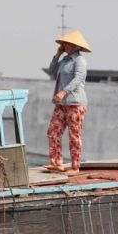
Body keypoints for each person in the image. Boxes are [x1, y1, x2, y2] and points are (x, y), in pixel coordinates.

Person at [44, 30, 91, 175]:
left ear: (75, 45)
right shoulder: (64, 60)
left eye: (66, 43)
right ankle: (57, 162)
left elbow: (78, 79)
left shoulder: (80, 61)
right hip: (61, 103)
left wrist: (63, 91)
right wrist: (57, 54)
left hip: (75, 102)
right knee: (53, 131)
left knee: (74, 134)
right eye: (63, 43)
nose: (64, 45)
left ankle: (75, 166)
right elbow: (51, 70)